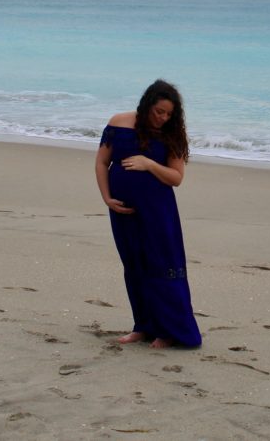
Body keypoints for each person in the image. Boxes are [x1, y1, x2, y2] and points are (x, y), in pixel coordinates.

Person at [94, 79, 202, 349]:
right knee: (134, 266)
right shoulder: (118, 123)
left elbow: (176, 178)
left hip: (158, 212)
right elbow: (101, 162)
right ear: (146, 105)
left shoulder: (172, 133)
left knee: (162, 267)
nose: (163, 118)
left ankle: (169, 331)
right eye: (159, 112)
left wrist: (149, 164)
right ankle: (142, 326)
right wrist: (107, 198)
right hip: (122, 210)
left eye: (169, 114)